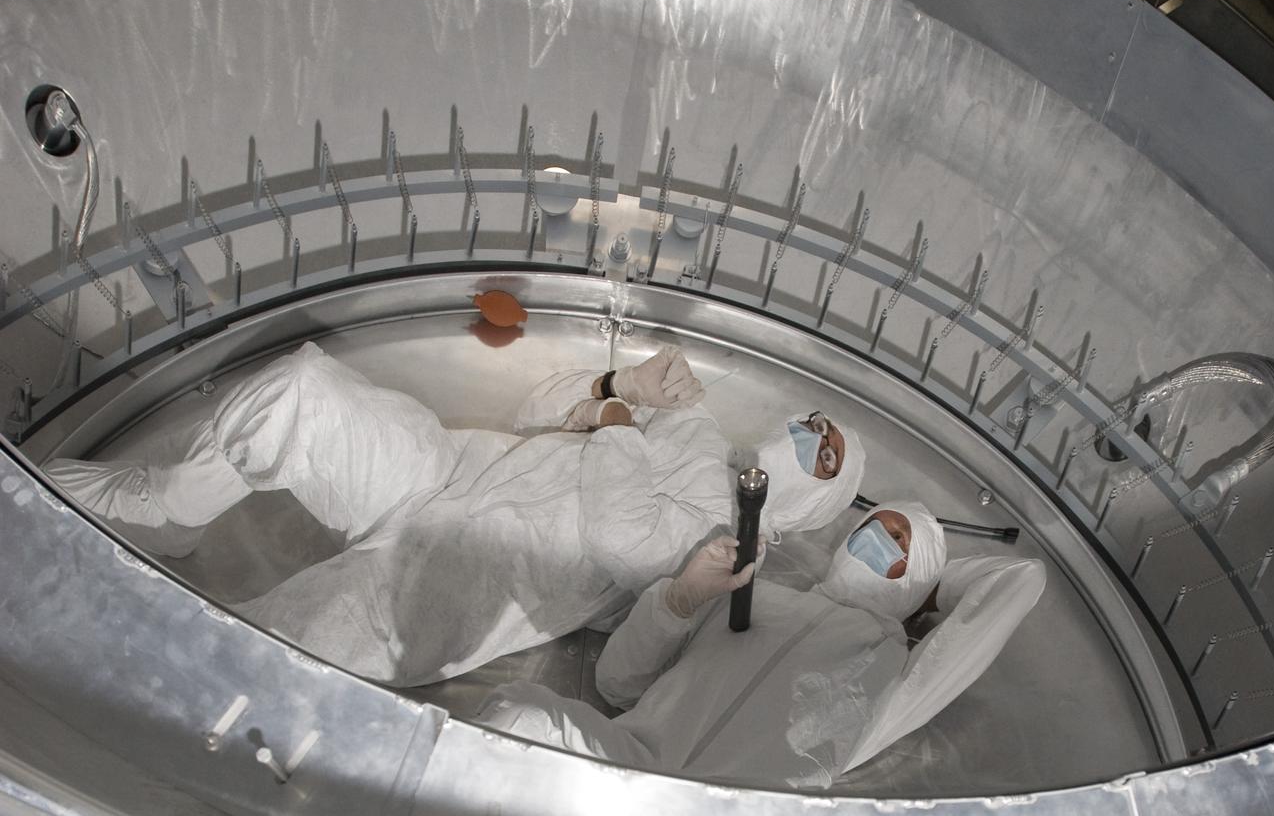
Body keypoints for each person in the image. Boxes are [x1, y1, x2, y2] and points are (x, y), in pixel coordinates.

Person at [45, 342, 865, 685]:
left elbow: (622, 574)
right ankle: (172, 508)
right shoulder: (695, 423)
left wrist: (682, 593)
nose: (806, 440)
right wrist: (616, 388)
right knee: (302, 391)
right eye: (814, 424)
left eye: (824, 456)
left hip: (463, 578)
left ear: (818, 498)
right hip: (450, 464)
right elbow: (533, 408)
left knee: (252, 663)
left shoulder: (731, 560)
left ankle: (57, 664)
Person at [477, 502, 1046, 790]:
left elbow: (1018, 584)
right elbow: (617, 684)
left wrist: (934, 586)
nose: (877, 537)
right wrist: (677, 601)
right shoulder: (757, 594)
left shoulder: (897, 663)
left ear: (922, 575)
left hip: (733, 806)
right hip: (633, 765)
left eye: (901, 541)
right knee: (516, 714)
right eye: (875, 525)